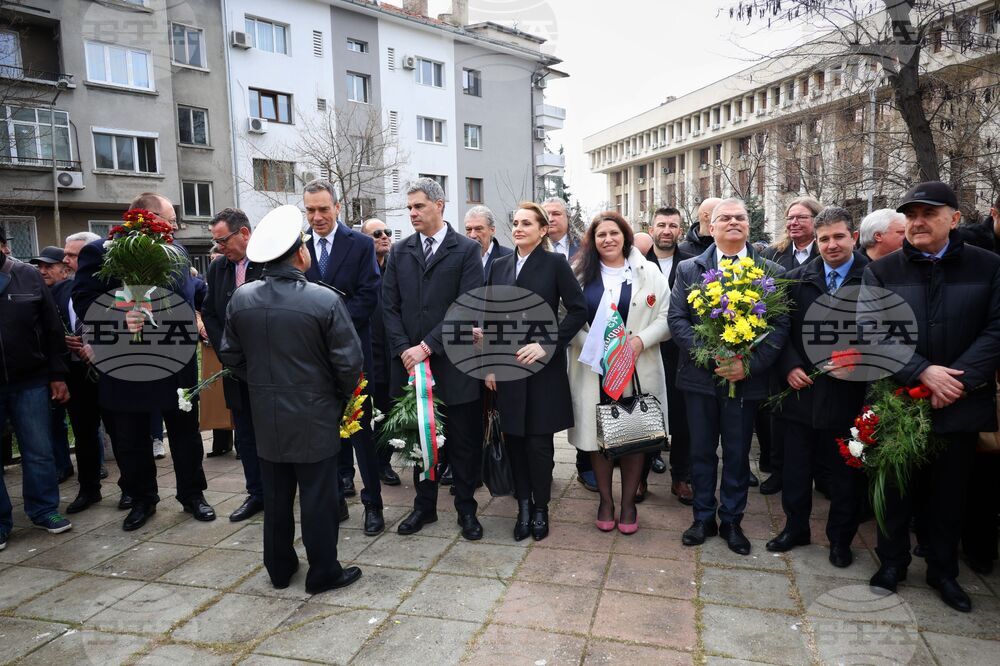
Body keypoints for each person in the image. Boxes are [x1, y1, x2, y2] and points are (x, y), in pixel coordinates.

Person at [863, 181, 1000, 613]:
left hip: (960, 401)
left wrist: (953, 381)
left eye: (929, 213)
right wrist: (922, 371)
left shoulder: (988, 267)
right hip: (899, 398)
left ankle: (943, 571)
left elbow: (996, 330)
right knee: (897, 487)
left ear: (954, 219)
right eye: (912, 215)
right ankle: (892, 563)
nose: (918, 222)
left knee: (949, 493)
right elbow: (870, 331)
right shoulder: (883, 271)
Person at [220, 204, 364, 594]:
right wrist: (332, 395)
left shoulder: (242, 297)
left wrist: (263, 383)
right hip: (314, 413)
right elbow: (349, 364)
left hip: (266, 414)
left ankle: (279, 569)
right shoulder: (324, 300)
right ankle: (323, 572)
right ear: (301, 253)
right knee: (318, 498)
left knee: (277, 496)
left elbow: (230, 355)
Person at [73, 192, 215, 531]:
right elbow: (83, 299)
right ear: (146, 218)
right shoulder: (102, 251)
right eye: (169, 220)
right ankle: (141, 499)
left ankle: (193, 494)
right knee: (130, 435)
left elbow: (185, 294)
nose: (175, 227)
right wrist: (124, 314)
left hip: (172, 354)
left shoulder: (176, 251)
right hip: (123, 358)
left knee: (184, 432)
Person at [670, 198, 788, 555]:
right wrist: (712, 358)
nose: (733, 222)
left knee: (737, 455)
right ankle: (703, 517)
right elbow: (677, 320)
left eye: (740, 217)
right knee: (702, 452)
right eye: (725, 218)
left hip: (745, 379)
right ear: (712, 226)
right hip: (700, 380)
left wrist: (746, 365)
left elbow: (780, 325)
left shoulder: (770, 271)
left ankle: (732, 520)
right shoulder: (690, 268)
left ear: (748, 226)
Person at [382, 178, 485, 540]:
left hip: (454, 364)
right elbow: (389, 306)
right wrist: (404, 350)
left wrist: (425, 346)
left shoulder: (466, 250)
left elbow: (467, 306)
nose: (412, 213)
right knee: (419, 437)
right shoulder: (400, 251)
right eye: (409, 207)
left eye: (419, 206)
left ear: (439, 206)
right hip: (411, 366)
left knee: (462, 442)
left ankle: (466, 509)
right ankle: (423, 507)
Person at [766, 206, 868, 567]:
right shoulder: (795, 279)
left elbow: (887, 331)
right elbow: (779, 331)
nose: (831, 245)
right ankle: (796, 528)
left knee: (843, 475)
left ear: (853, 238)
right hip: (800, 392)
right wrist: (789, 365)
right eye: (824, 238)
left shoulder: (872, 278)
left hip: (847, 395)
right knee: (795, 469)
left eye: (839, 236)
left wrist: (861, 358)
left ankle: (840, 539)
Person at [485, 202, 587, 540]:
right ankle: (523, 509)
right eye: (515, 222)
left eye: (527, 223)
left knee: (540, 446)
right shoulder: (499, 265)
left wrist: (548, 344)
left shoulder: (554, 263)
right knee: (514, 440)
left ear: (543, 230)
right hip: (508, 369)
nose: (518, 228)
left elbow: (577, 309)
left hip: (542, 369)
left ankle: (541, 508)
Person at [567, 211, 671, 534]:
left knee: (634, 435)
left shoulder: (648, 271)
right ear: (593, 241)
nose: (608, 239)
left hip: (636, 367)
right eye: (601, 235)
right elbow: (566, 320)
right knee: (598, 437)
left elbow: (668, 317)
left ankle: (627, 504)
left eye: (614, 233)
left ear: (625, 236)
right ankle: (605, 501)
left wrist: (639, 342)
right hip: (595, 367)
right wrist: (597, 348)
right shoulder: (578, 273)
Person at [302, 180, 384, 536]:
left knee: (362, 433)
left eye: (323, 209)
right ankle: (336, 499)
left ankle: (373, 505)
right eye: (310, 210)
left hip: (353, 356)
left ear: (337, 207)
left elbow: (369, 294)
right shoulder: (297, 246)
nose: (317, 217)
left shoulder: (361, 244)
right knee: (326, 434)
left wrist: (331, 324)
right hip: (313, 360)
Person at [0, 247, 73, 550]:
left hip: (29, 379)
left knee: (38, 449)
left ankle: (44, 510)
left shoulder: (27, 276)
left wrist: (57, 374)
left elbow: (52, 329)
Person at [201, 208, 266, 522]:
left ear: (244, 233)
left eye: (222, 240)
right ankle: (257, 494)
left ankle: (284, 489)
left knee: (274, 432)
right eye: (215, 242)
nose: (219, 248)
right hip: (235, 368)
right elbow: (210, 312)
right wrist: (228, 349)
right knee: (246, 435)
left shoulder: (270, 262)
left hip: (269, 367)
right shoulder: (218, 269)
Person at [543, 197, 596, 493]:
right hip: (542, 342)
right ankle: (544, 465)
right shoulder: (531, 250)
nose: (551, 218)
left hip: (580, 337)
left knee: (582, 400)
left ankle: (585, 464)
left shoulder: (586, 251)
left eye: (556, 213)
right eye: (546, 214)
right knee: (546, 403)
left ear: (566, 217)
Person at [644, 207, 694, 505]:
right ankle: (640, 475)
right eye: (661, 224)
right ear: (651, 229)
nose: (666, 230)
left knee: (682, 417)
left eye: (672, 225)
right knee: (646, 411)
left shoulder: (691, 264)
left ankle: (681, 477)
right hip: (647, 350)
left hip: (681, 353)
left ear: (680, 231)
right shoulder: (637, 263)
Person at [57, 232, 106, 512]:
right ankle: (89, 490)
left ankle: (131, 489)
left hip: (109, 371)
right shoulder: (61, 290)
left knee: (120, 432)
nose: (66, 260)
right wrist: (65, 341)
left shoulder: (112, 287)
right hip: (76, 373)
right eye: (66, 254)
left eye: (73, 255)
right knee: (84, 433)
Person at [360, 218, 401, 487]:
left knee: (387, 411)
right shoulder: (361, 270)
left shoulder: (395, 270)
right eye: (377, 233)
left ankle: (383, 463)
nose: (384, 236)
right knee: (363, 416)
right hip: (366, 354)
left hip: (391, 355)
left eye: (387, 232)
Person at [29, 247, 75, 483]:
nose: (42, 271)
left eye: (48, 266)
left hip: (76, 366)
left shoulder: (71, 291)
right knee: (54, 420)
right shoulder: (33, 292)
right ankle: (61, 464)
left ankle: (96, 465)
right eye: (40, 267)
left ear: (64, 270)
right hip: (47, 369)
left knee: (83, 421)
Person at [465, 205, 513, 282]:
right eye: (468, 229)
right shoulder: (459, 258)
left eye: (478, 229)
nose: (472, 235)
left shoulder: (510, 258)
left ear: (492, 230)